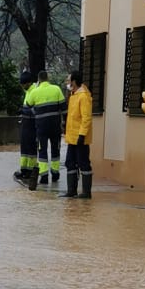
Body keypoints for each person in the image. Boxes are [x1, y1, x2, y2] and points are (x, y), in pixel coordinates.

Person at [25, 69, 66, 187]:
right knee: (55, 149)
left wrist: (36, 112)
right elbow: (64, 108)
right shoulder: (57, 89)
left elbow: (28, 105)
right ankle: (55, 173)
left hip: (41, 127)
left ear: (38, 80)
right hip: (55, 126)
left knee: (42, 150)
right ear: (48, 78)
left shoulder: (35, 92)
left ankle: (44, 176)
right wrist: (64, 123)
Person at [64, 69, 93, 199]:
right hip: (72, 137)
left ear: (74, 81)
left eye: (69, 80)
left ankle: (86, 192)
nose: (67, 82)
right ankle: (72, 190)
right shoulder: (73, 95)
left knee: (83, 163)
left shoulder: (83, 96)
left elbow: (86, 118)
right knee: (70, 162)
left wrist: (82, 135)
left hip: (80, 138)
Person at [14, 66, 37, 186]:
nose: (22, 87)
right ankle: (24, 170)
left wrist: (23, 111)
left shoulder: (34, 92)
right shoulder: (28, 91)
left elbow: (35, 110)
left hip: (32, 124)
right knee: (25, 148)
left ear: (28, 83)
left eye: (23, 84)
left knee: (31, 148)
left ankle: (31, 170)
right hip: (26, 123)